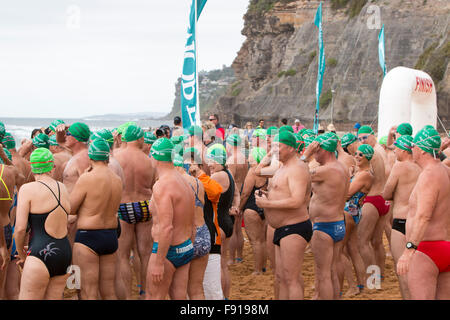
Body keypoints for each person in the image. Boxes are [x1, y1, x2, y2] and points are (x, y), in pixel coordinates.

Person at [255, 131, 312, 300]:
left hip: (294, 227)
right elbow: (259, 172)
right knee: (281, 277)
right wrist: (268, 195)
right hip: (282, 227)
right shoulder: (282, 167)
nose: (274, 150)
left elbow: (297, 201)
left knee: (291, 279)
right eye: (272, 146)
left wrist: (267, 204)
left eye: (277, 146)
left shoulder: (297, 169)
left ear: (291, 148)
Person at [397, 126, 450, 299]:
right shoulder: (444, 171)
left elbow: (423, 215)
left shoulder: (429, 174)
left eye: (413, 146)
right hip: (445, 246)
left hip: (426, 249)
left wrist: (409, 249)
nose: (411, 149)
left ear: (421, 150)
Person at [14, 148, 72, 299]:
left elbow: (20, 229)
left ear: (32, 167)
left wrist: (22, 254)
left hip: (39, 252)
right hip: (63, 252)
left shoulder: (28, 189)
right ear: (52, 167)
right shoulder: (63, 188)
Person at [69, 139, 123, 299]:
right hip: (110, 237)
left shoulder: (87, 178)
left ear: (90, 157)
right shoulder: (117, 180)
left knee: (88, 291)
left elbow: (70, 208)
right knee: (109, 291)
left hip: (88, 237)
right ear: (107, 157)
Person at [146, 138, 195, 300]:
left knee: (154, 296)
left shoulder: (162, 185)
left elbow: (166, 228)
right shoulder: (184, 181)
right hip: (186, 246)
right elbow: (192, 221)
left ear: (156, 157)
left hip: (168, 251)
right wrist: (189, 245)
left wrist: (159, 262)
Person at [302, 132, 349, 299]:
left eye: (317, 150)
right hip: (338, 223)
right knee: (332, 271)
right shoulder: (342, 167)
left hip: (324, 226)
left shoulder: (326, 170)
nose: (315, 154)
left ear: (325, 150)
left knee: (324, 275)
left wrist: (305, 155)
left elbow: (299, 174)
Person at [114, 124, 156, 299]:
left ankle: (127, 297)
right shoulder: (149, 160)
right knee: (145, 254)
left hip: (123, 206)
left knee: (123, 256)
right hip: (144, 205)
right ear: (139, 139)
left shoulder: (116, 156)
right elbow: (154, 186)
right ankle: (145, 292)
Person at [382, 135, 421, 300]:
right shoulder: (422, 167)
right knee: (419, 271)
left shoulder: (400, 167)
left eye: (396, 148)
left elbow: (386, 193)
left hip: (401, 221)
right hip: (419, 223)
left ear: (404, 150)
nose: (395, 151)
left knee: (403, 271)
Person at [204, 145, 240, 300]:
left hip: (218, 224)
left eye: (213, 161)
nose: (210, 164)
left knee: (217, 265)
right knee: (223, 264)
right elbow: (237, 193)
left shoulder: (217, 176)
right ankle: (225, 297)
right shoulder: (228, 174)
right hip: (227, 221)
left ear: (220, 161)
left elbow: (200, 194)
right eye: (208, 161)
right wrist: (235, 206)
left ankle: (220, 297)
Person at [356, 125, 390, 282]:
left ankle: (373, 279)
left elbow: (367, 177)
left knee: (362, 241)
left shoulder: (371, 153)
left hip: (372, 199)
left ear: (372, 136)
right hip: (383, 199)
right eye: (360, 138)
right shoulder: (380, 151)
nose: (362, 141)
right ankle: (380, 274)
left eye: (364, 137)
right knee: (377, 242)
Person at [175, 152, 210, 299]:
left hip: (186, 236)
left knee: (178, 290)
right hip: (203, 233)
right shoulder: (197, 182)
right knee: (196, 288)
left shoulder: (173, 183)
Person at [342, 144, 374, 296]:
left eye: (361, 155)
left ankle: (353, 286)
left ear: (368, 157)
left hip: (349, 213)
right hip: (353, 212)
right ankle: (361, 285)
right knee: (353, 250)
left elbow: (347, 194)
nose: (357, 156)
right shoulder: (360, 172)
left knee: (340, 252)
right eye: (356, 154)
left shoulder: (365, 174)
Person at [55, 122, 92, 245]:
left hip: (76, 218)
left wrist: (74, 216)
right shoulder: (76, 154)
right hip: (71, 215)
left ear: (76, 139)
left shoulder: (83, 159)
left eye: (68, 134)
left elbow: (89, 189)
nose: (65, 136)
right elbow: (60, 141)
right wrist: (61, 130)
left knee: (76, 259)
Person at [240, 147, 268, 275]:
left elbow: (245, 193)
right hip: (264, 206)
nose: (248, 158)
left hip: (252, 207)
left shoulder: (253, 171)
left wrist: (239, 208)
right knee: (262, 240)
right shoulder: (267, 171)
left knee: (255, 241)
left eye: (250, 156)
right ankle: (263, 267)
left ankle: (257, 270)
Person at [225, 134, 248, 265]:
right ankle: (239, 256)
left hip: (235, 197)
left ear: (230, 144)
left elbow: (231, 182)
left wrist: (233, 202)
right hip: (243, 193)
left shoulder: (232, 160)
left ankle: (231, 258)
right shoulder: (243, 158)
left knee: (234, 230)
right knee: (239, 229)